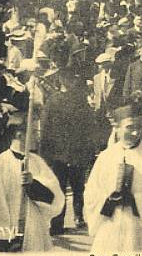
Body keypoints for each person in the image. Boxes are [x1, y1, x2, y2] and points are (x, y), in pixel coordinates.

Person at [84, 105, 142, 251]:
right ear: (117, 128)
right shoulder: (106, 157)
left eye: (139, 127)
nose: (135, 132)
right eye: (129, 127)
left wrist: (136, 200)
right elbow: (92, 192)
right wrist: (108, 200)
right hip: (111, 226)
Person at [0, 112, 65, 252]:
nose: (37, 136)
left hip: (36, 234)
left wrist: (34, 185)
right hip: (10, 240)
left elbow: (56, 199)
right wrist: (5, 243)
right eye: (34, 131)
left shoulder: (37, 162)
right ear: (19, 134)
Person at [40, 67, 98, 233]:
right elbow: (46, 128)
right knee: (70, 187)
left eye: (71, 80)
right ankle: (66, 220)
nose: (70, 83)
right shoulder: (58, 101)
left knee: (71, 187)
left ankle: (70, 219)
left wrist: (45, 153)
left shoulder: (64, 101)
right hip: (67, 152)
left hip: (69, 152)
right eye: (68, 80)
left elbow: (89, 126)